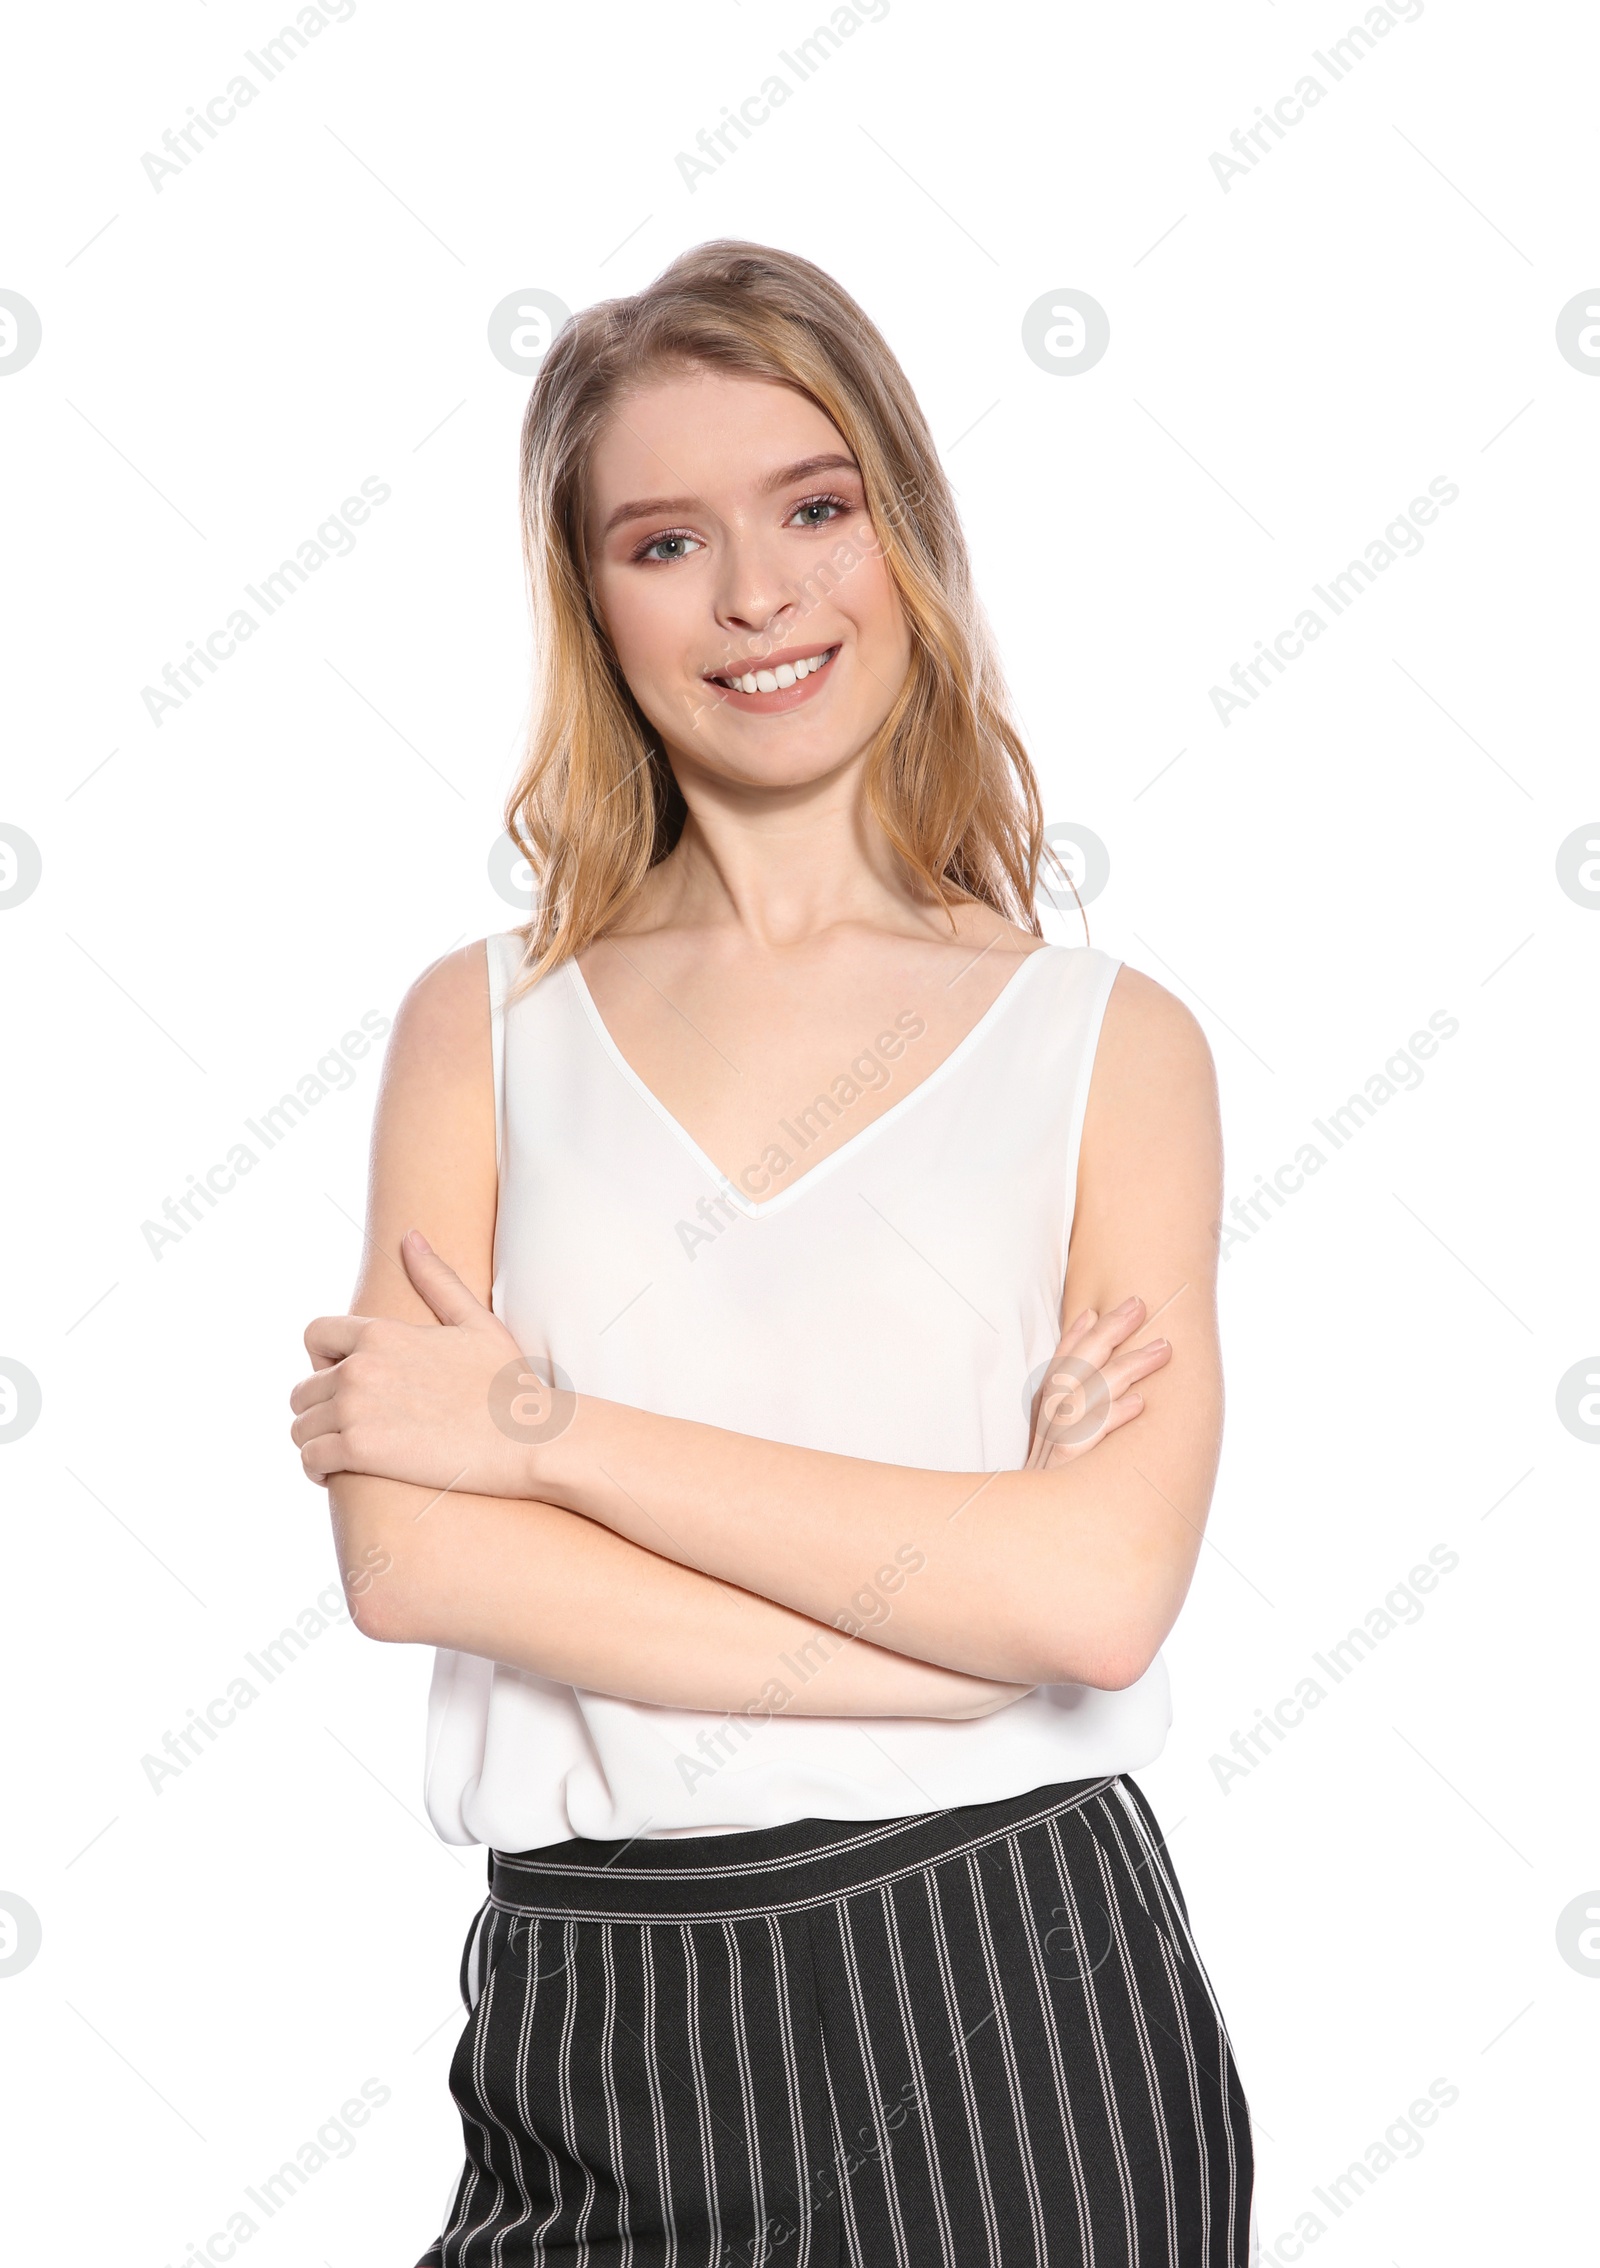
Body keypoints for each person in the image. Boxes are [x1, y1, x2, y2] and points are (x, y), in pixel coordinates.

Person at [289, 239, 1257, 2267]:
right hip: (594, 2021)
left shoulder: (1110, 1047)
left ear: (899, 536)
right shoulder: (480, 1030)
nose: (756, 595)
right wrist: (939, 1643)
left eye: (813, 508)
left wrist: (538, 1427)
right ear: (590, 604)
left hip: (1017, 1992)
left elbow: (1088, 1601)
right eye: (664, 539)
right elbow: (411, 1560)